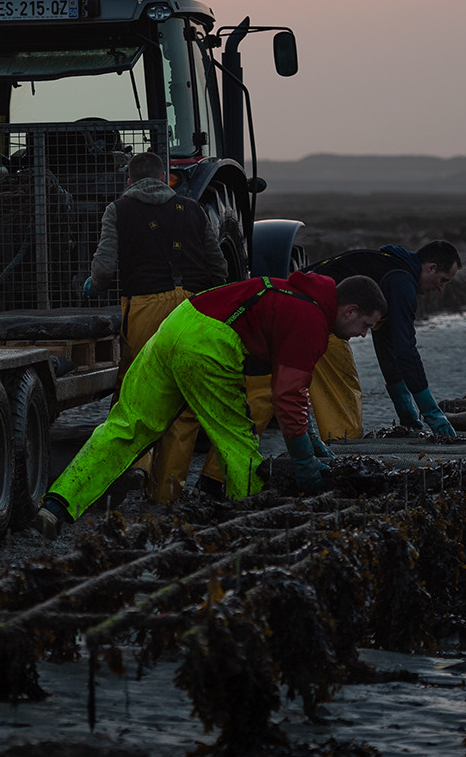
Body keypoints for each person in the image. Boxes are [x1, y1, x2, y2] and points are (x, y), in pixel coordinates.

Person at [37, 272, 387, 536]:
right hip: (209, 344)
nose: (362, 334)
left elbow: (295, 392)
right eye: (365, 325)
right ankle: (250, 527)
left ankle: (57, 504)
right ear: (350, 310)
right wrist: (305, 463)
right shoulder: (311, 319)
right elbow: (287, 397)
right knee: (238, 443)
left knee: (128, 425)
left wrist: (313, 441)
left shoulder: (292, 294)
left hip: (176, 324)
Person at [83, 151, 228, 503]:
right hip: (191, 310)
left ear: (129, 180)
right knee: (183, 403)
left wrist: (94, 284)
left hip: (144, 308)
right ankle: (166, 494)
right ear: (164, 178)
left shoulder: (118, 209)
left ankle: (136, 465)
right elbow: (219, 266)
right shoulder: (193, 209)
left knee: (137, 392)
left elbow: (104, 268)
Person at [305, 241, 461, 438]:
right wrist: (432, 412)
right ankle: (342, 446)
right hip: (313, 318)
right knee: (342, 396)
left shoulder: (387, 269)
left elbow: (387, 344)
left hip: (300, 311)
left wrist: (404, 406)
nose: (441, 288)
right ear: (431, 268)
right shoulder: (401, 282)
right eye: (443, 280)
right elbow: (405, 350)